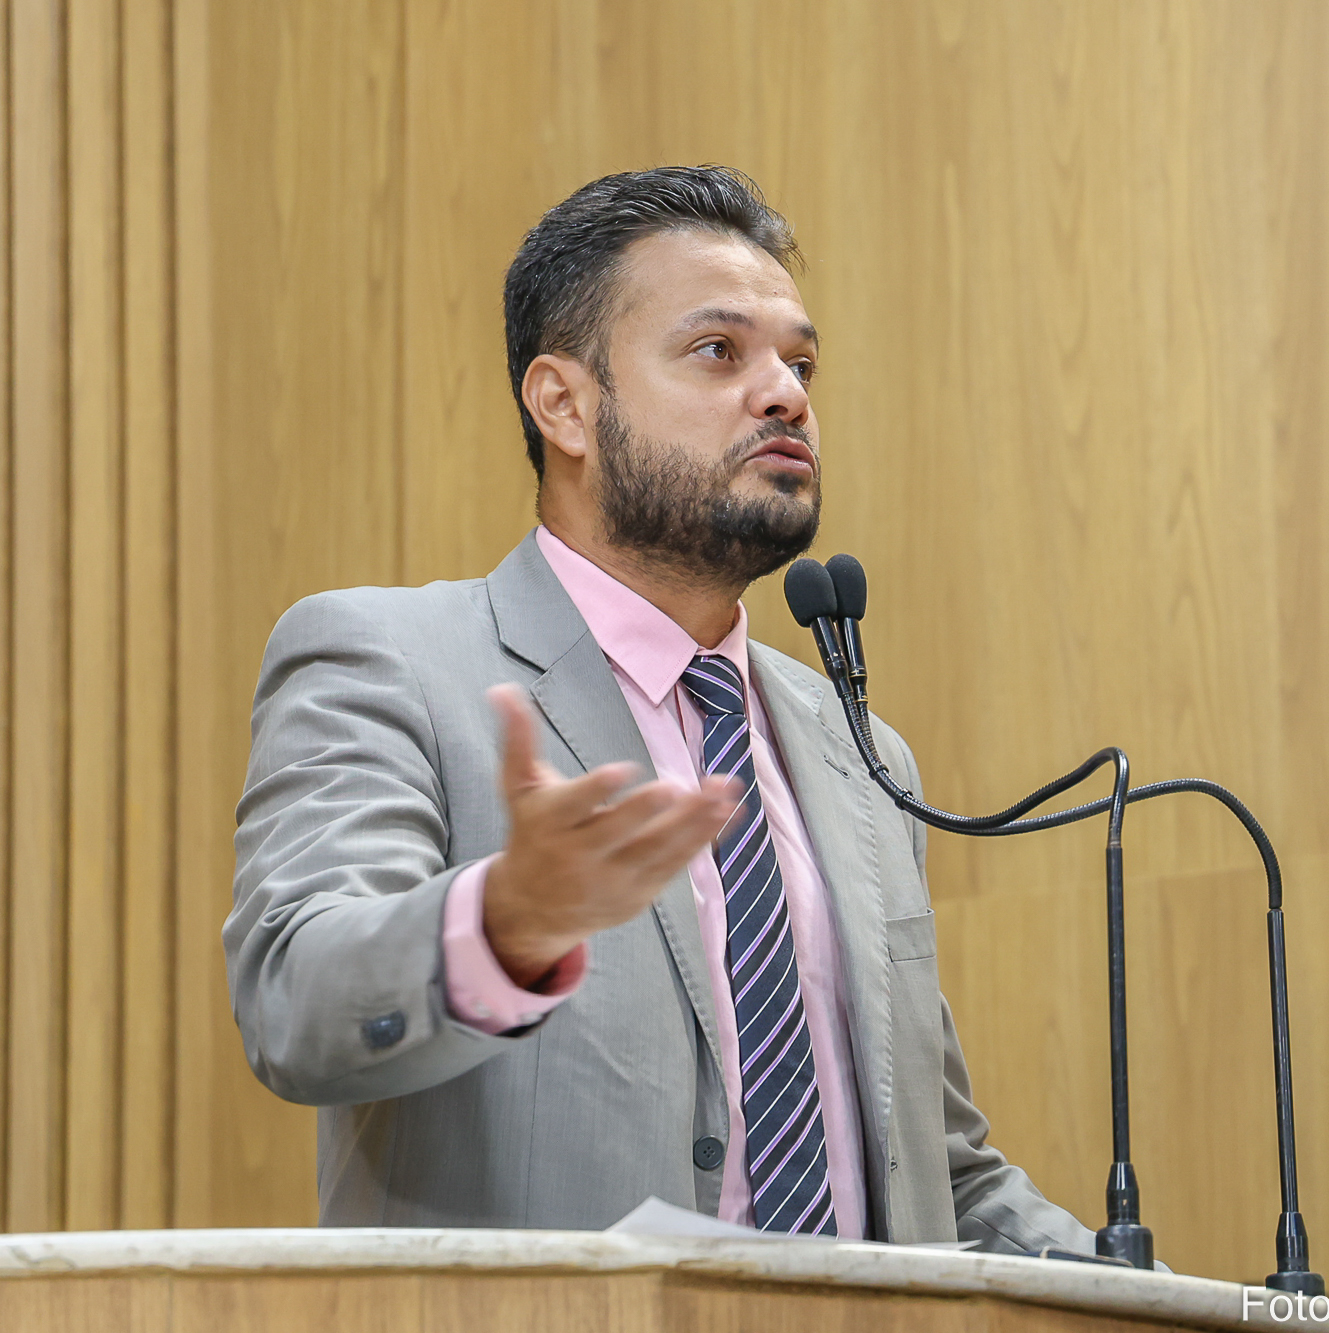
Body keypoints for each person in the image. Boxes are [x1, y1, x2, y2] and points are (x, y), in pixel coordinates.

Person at [226, 166, 1102, 1251]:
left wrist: (1186, 1299)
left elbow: (940, 1171)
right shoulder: (390, 660)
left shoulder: (863, 755)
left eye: (799, 363)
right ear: (565, 404)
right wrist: (504, 923)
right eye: (718, 351)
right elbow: (296, 1005)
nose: (784, 394)